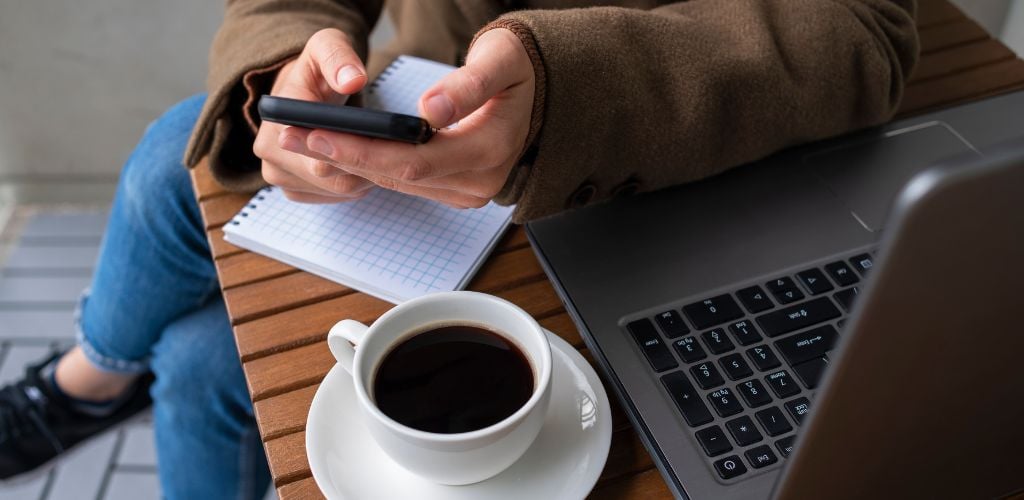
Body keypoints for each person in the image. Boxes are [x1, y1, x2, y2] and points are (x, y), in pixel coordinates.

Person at [0, 0, 918, 498]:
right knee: (188, 235)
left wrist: (575, 97)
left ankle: (89, 379)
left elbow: (866, 31)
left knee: (202, 357)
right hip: (419, 143)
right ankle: (98, 373)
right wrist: (286, 57)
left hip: (654, 179)